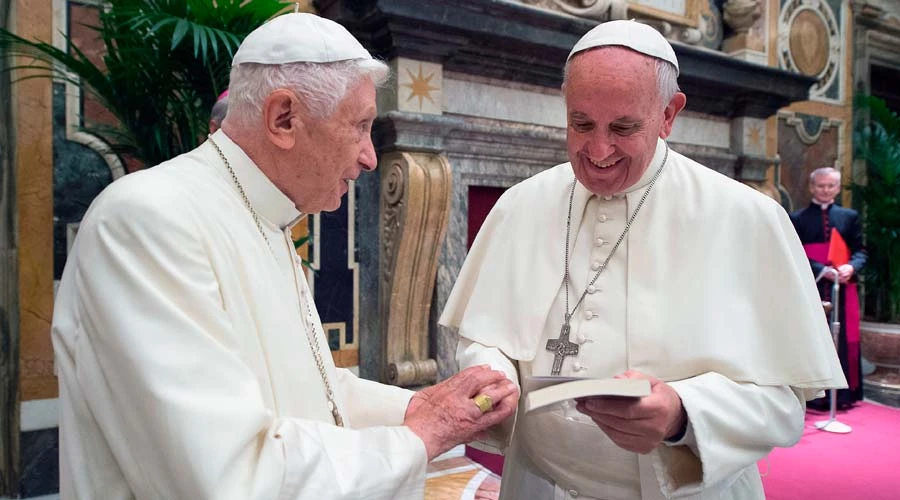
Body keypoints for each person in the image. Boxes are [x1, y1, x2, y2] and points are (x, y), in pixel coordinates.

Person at [51, 13, 517, 500]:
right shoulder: (148, 220)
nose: (369, 156)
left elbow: (314, 390)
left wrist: (421, 406)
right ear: (284, 119)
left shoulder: (264, 216)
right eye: (359, 127)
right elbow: (226, 475)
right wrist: (426, 433)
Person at [440, 20, 846, 500]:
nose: (598, 150)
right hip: (539, 485)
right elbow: (487, 338)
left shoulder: (747, 218)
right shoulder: (521, 205)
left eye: (623, 128)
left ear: (669, 114)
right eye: (581, 123)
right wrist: (496, 376)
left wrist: (681, 413)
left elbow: (784, 407)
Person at [791, 167, 867, 409]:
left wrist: (851, 268)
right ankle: (815, 395)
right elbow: (794, 252)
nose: (825, 190)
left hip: (843, 287)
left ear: (837, 187)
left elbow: (861, 250)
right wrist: (821, 270)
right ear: (812, 187)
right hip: (811, 285)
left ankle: (843, 396)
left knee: (842, 338)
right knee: (813, 337)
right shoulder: (798, 218)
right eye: (820, 186)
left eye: (830, 186)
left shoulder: (849, 216)